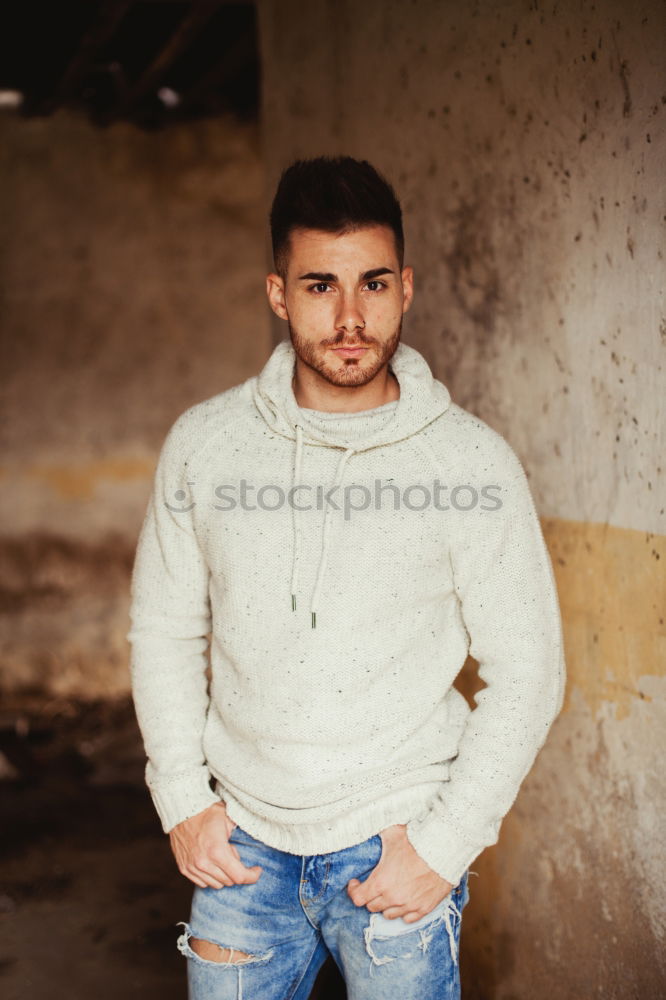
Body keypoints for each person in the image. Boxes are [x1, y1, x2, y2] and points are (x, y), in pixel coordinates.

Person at [127, 156, 566, 1000]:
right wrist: (181, 796)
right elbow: (166, 630)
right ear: (277, 294)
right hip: (240, 852)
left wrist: (444, 845)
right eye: (321, 286)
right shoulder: (206, 446)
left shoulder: (468, 462)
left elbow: (530, 669)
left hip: (394, 840)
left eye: (372, 284)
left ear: (407, 287)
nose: (351, 317)